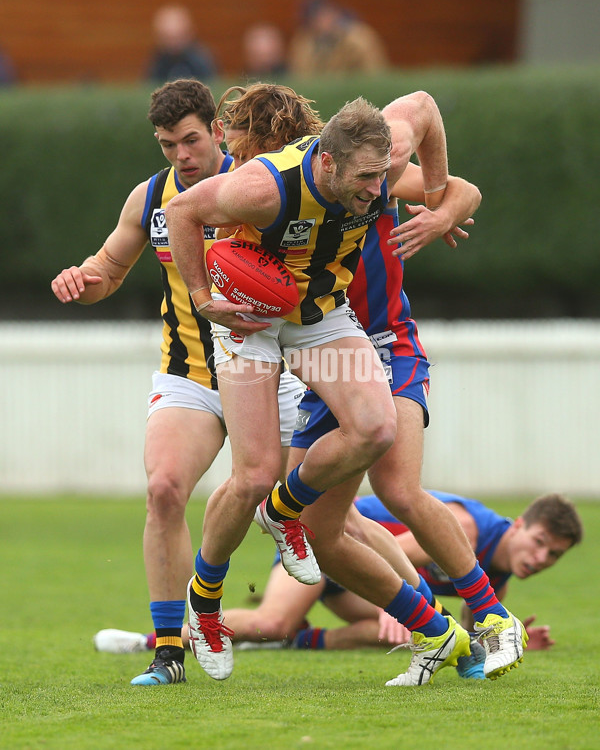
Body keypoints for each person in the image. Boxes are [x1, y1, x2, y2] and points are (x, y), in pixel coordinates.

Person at [165, 83, 520, 687]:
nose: (377, 191)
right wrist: (204, 300)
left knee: (377, 432)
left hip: (322, 319)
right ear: (321, 160)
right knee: (253, 474)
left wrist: (437, 200)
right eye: (368, 179)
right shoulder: (263, 185)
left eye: (383, 175)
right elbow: (181, 212)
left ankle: (289, 512)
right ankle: (205, 602)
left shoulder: (377, 156)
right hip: (250, 321)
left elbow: (429, 108)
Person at [50, 78, 305, 687]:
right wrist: (85, 279)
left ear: (218, 130)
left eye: (190, 140)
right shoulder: (152, 198)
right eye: (168, 145)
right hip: (190, 375)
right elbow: (110, 267)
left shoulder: (262, 186)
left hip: (273, 376)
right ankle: (169, 652)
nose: (181, 156)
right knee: (164, 489)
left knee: (332, 520)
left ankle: (435, 619)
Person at [94, 491, 582, 680]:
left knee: (390, 635)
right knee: (271, 619)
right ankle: (155, 641)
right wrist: (402, 607)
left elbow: (473, 635)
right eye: (539, 542)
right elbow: (401, 559)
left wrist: (504, 646)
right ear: (518, 525)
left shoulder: (498, 570)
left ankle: (294, 642)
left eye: (553, 556)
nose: (540, 559)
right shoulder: (470, 531)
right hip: (328, 541)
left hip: (362, 578)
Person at [289, 0, 389, 76]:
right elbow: (300, 76)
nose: (322, 22)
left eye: (325, 15)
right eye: (315, 19)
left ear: (335, 13)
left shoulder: (360, 38)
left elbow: (374, 73)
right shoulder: (304, 41)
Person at [145, 5, 217, 83]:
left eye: (177, 37)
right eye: (168, 38)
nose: (173, 45)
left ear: (189, 33)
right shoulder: (156, 63)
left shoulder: (201, 60)